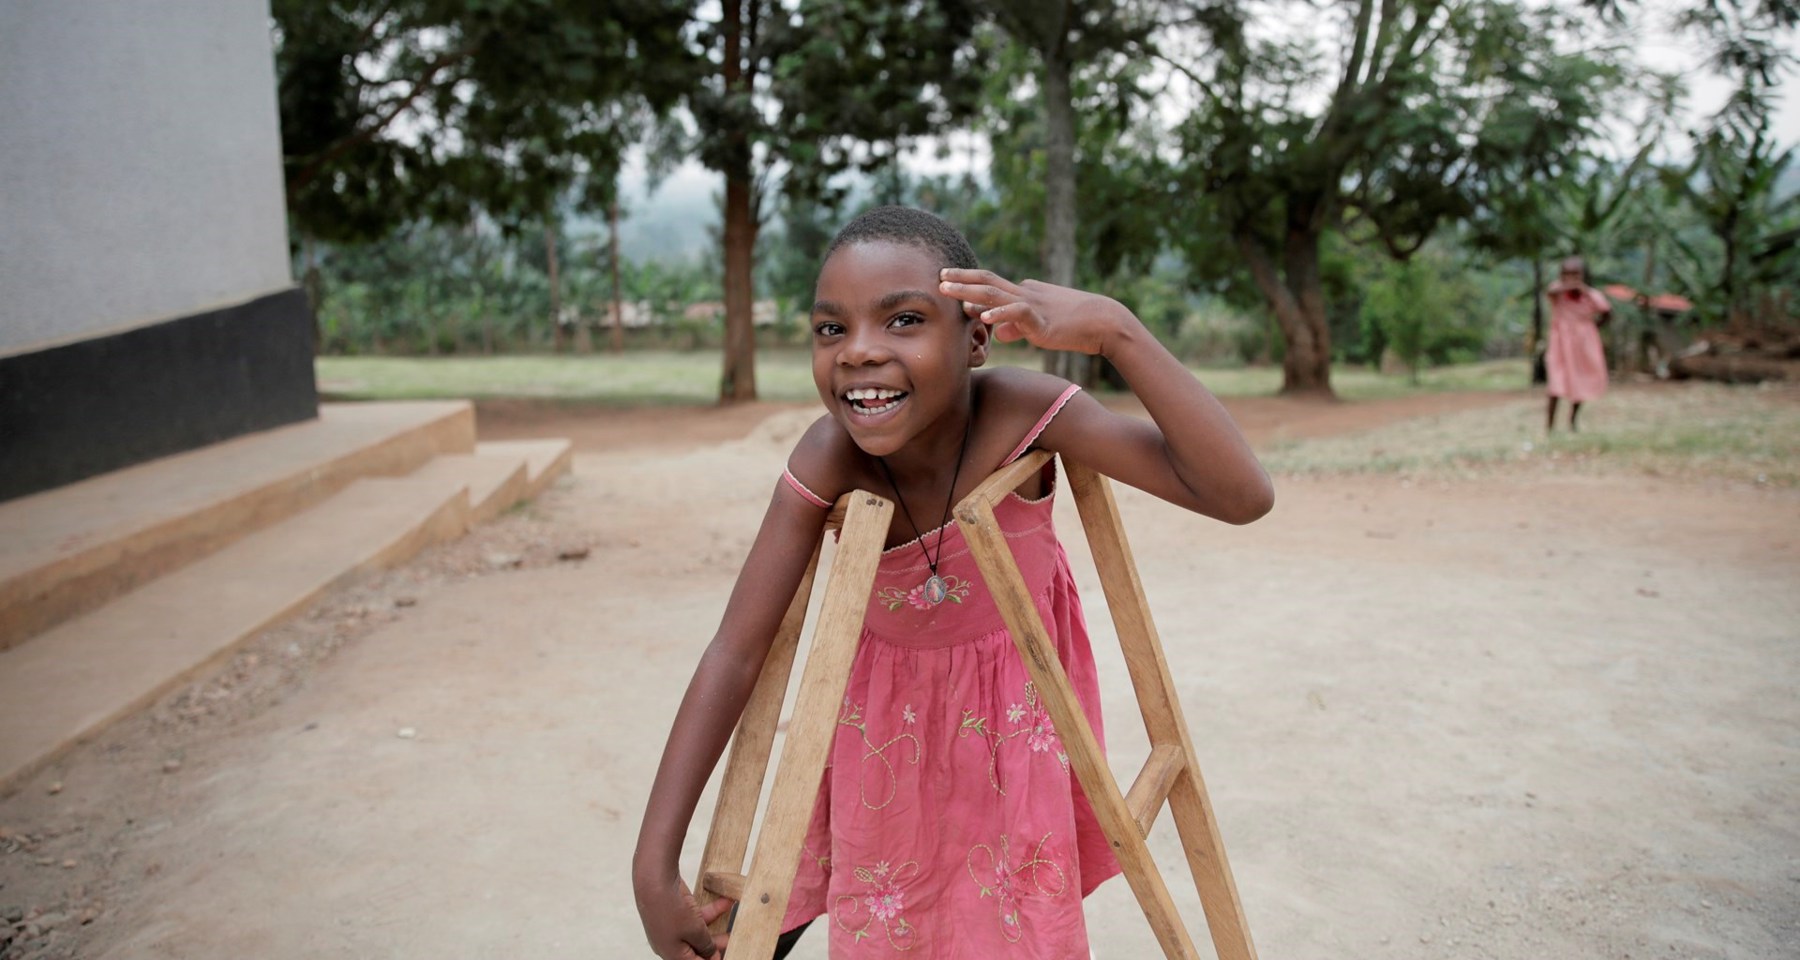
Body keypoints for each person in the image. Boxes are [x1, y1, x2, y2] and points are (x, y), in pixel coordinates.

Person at [632, 206, 1273, 959]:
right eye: (831, 329)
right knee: (795, 905)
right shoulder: (830, 454)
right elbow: (736, 652)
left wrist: (1113, 329)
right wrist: (652, 862)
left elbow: (1240, 495)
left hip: (1016, 725)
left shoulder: (1026, 412)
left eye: (902, 320)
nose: (858, 353)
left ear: (975, 338)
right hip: (877, 732)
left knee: (1000, 923)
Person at [1543, 256, 1612, 432]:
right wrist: (1568, 286)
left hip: (1583, 344)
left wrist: (1591, 328)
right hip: (1560, 344)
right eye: (1566, 273)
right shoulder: (1557, 292)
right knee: (1556, 382)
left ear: (1583, 274)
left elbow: (1606, 311)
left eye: (1575, 273)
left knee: (1581, 380)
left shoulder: (1592, 295)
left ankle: (1572, 421)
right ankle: (1549, 427)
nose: (1571, 277)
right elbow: (1551, 292)